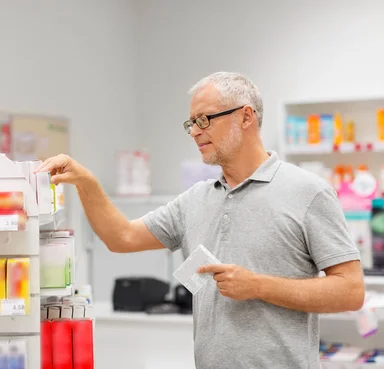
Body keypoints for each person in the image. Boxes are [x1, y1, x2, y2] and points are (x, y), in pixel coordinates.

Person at [36, 71, 364, 369]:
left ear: (245, 117)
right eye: (191, 123)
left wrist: (258, 286)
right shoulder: (195, 199)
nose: (194, 132)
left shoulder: (308, 191)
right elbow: (121, 237)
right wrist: (86, 182)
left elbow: (350, 291)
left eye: (205, 120)